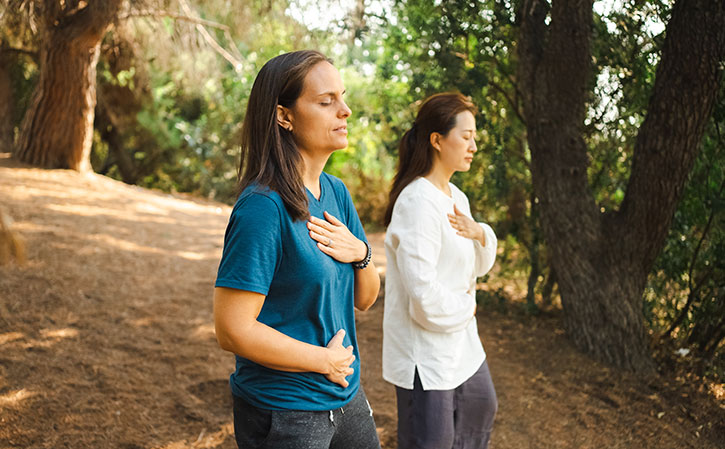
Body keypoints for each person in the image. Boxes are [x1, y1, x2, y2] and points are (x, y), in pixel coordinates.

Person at [213, 50, 381, 449]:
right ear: (284, 116)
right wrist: (323, 361)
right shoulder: (263, 208)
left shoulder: (336, 193)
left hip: (345, 395)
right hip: (285, 409)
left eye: (342, 97)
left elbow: (366, 298)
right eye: (326, 102)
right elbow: (232, 329)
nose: (346, 111)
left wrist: (361, 253)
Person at [382, 93, 498, 449]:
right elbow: (424, 296)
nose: (473, 145)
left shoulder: (456, 197)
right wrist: (467, 308)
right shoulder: (418, 202)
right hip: (426, 353)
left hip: (461, 345)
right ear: (437, 140)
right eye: (466, 136)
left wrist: (480, 232)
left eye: (474, 136)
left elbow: (476, 266)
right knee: (432, 441)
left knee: (481, 407)